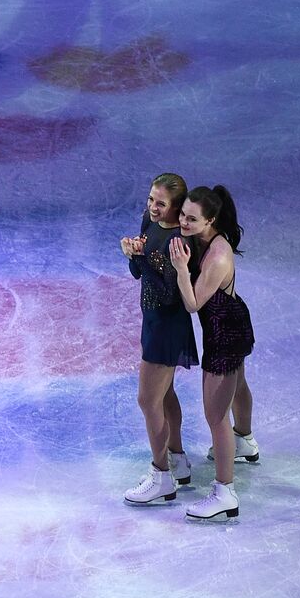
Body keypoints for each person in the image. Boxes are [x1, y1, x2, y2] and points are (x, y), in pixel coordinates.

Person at [169, 186, 255, 521]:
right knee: (239, 387)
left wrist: (180, 268)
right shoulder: (206, 239)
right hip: (232, 321)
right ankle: (244, 439)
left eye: (192, 219)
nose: (184, 222)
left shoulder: (218, 256)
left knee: (216, 417)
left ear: (211, 220)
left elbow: (193, 304)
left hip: (224, 336)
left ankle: (225, 493)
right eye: (183, 215)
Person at [120, 174, 198, 505]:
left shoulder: (178, 241)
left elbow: (169, 295)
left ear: (176, 208)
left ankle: (161, 475)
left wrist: (139, 258)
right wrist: (133, 255)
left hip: (167, 325)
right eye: (151, 199)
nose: (153, 207)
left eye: (161, 203)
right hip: (152, 320)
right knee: (164, 395)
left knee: (147, 400)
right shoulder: (149, 222)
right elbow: (141, 275)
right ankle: (177, 460)